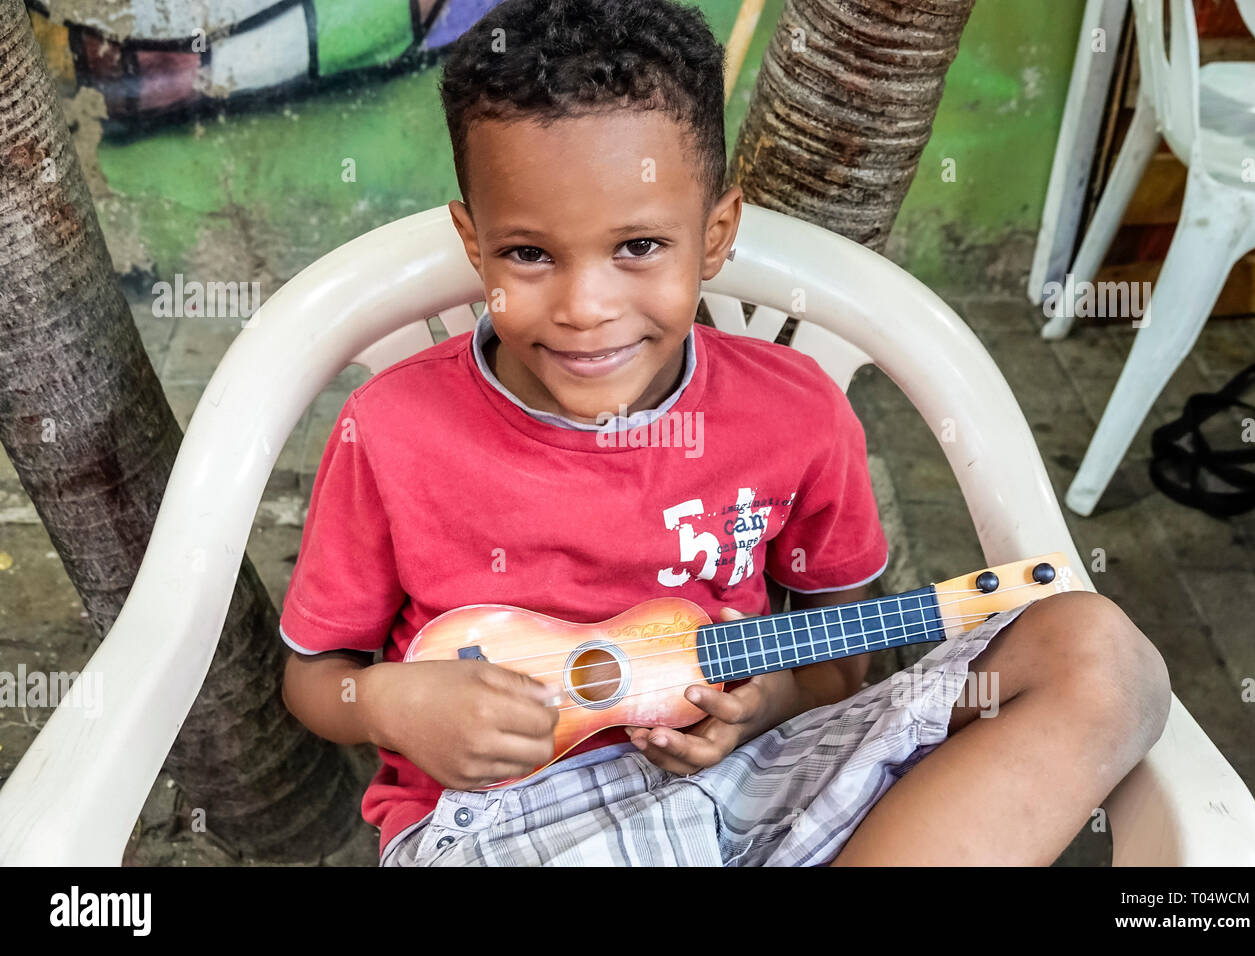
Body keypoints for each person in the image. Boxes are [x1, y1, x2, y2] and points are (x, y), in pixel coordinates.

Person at [279, 0, 1172, 866]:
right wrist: (392, 707)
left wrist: (767, 703)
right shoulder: (390, 431)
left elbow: (842, 659)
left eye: (638, 248)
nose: (587, 309)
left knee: (1101, 659)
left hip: (755, 777)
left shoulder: (799, 412)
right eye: (530, 254)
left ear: (715, 236)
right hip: (507, 823)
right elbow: (318, 678)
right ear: (473, 246)